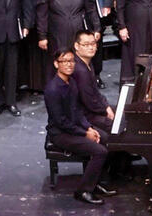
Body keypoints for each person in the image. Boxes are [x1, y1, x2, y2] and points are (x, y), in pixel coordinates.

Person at [43, 49, 109, 206]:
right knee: (100, 151)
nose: (69, 64)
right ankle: (83, 191)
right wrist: (84, 133)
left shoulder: (71, 82)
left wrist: (88, 128)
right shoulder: (52, 90)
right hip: (60, 133)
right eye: (64, 61)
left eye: (71, 61)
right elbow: (61, 122)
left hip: (75, 127)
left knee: (105, 138)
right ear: (56, 64)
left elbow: (78, 110)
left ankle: (94, 182)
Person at [37, 0, 101, 75]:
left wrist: (96, 29)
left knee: (81, 67)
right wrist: (42, 37)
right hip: (57, 37)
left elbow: (91, 10)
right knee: (61, 66)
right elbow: (42, 16)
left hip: (79, 35)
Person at [71, 31, 117, 156]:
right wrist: (105, 111)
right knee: (116, 125)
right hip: (83, 115)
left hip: (90, 109)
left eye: (93, 44)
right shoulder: (80, 70)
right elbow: (89, 101)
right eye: (86, 44)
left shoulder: (87, 62)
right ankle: (116, 164)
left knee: (122, 112)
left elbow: (95, 92)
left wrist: (106, 106)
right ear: (76, 46)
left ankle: (124, 155)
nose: (91, 47)